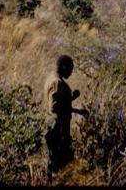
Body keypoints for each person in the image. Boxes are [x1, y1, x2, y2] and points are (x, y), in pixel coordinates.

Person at [44, 55, 89, 183]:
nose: (71, 72)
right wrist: (70, 99)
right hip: (57, 129)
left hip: (55, 127)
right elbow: (54, 107)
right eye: (70, 69)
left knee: (54, 164)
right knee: (60, 166)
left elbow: (58, 104)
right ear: (63, 67)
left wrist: (75, 106)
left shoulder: (52, 79)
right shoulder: (56, 82)